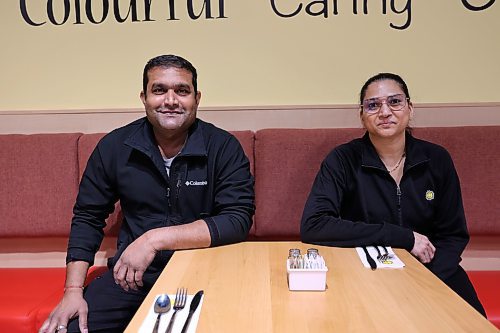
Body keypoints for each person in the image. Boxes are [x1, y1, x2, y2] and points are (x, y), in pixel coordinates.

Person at [40, 55, 255, 333]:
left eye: (182, 90)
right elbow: (88, 217)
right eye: (159, 90)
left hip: (206, 275)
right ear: (144, 97)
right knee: (69, 330)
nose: (170, 100)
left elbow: (237, 220)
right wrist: (72, 291)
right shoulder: (115, 146)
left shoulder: (223, 147)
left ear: (197, 98)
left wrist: (153, 240)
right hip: (132, 277)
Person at [300, 72, 485, 315]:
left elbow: (453, 235)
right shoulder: (342, 160)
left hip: (433, 271)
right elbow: (314, 224)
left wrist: (425, 280)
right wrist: (401, 236)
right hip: (365, 272)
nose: (385, 112)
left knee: (471, 322)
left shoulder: (437, 159)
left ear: (410, 107)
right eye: (373, 105)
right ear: (362, 115)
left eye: (395, 101)